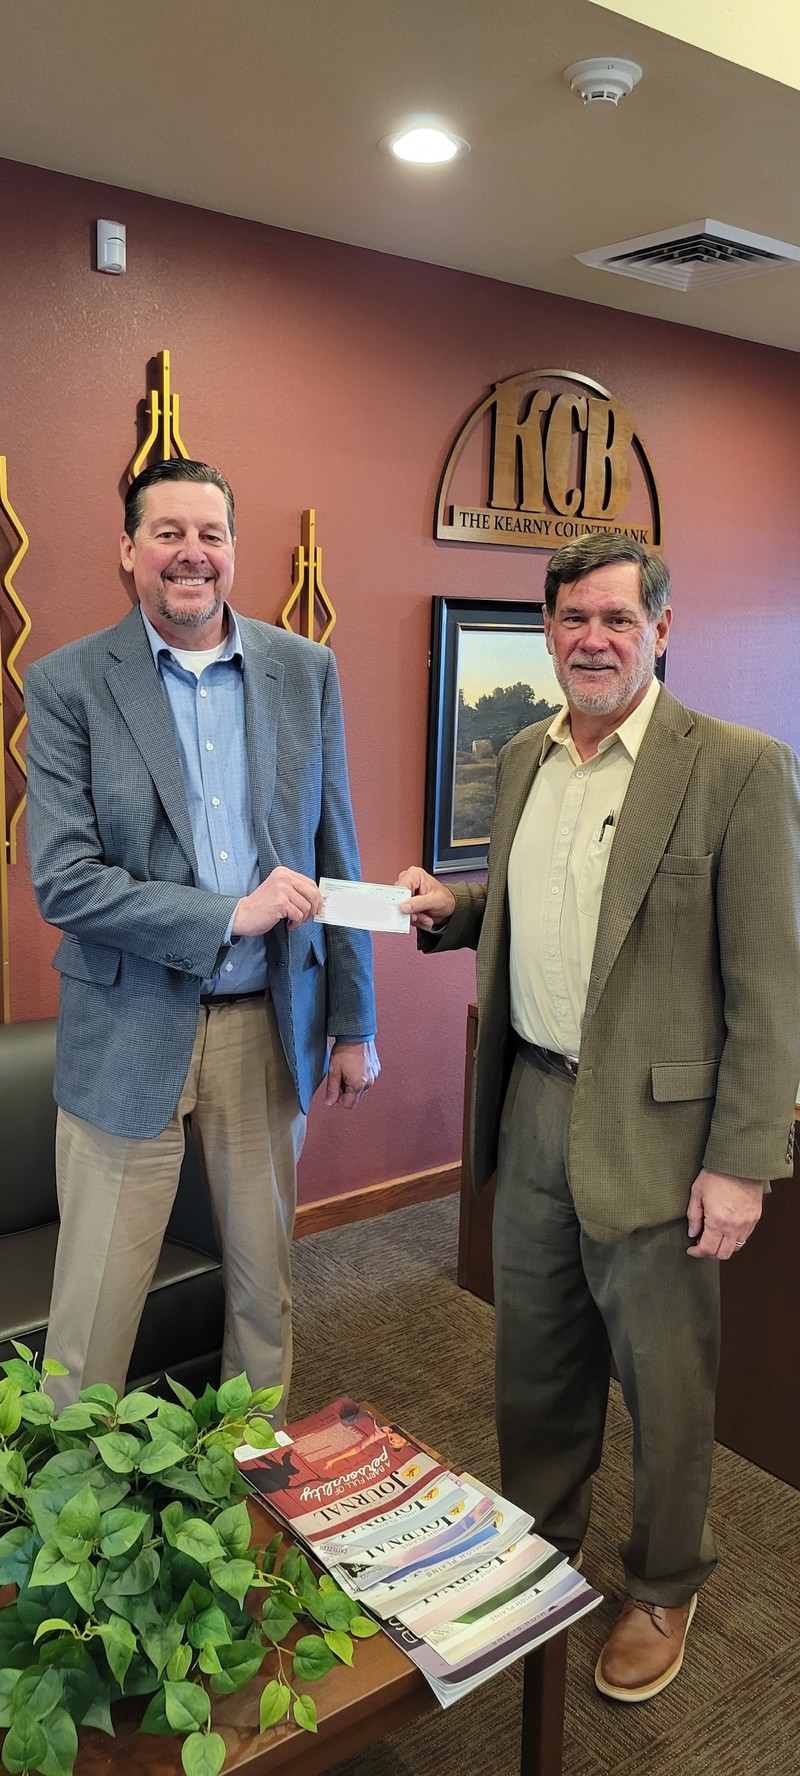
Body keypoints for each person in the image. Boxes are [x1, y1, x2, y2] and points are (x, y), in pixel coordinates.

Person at [398, 531, 800, 1702]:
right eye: (573, 619)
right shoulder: (526, 753)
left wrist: (743, 1164)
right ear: (548, 628)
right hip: (530, 1107)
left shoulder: (732, 767)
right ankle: (536, 1548)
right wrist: (455, 908)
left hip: (663, 1142)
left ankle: (666, 1581)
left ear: (660, 630)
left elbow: (769, 993)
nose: (591, 639)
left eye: (617, 620)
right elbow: (545, 901)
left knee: (664, 1380)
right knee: (533, 1363)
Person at [25, 458, 379, 1415]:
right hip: (128, 1021)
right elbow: (64, 881)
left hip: (266, 1025)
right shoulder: (65, 684)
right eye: (169, 533)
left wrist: (354, 1023)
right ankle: (71, 1502)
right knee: (95, 1304)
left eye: (211, 534)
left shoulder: (304, 671)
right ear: (129, 551)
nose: (193, 555)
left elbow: (334, 848)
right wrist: (228, 914)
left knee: (266, 1289)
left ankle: (249, 1475)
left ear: (234, 549)